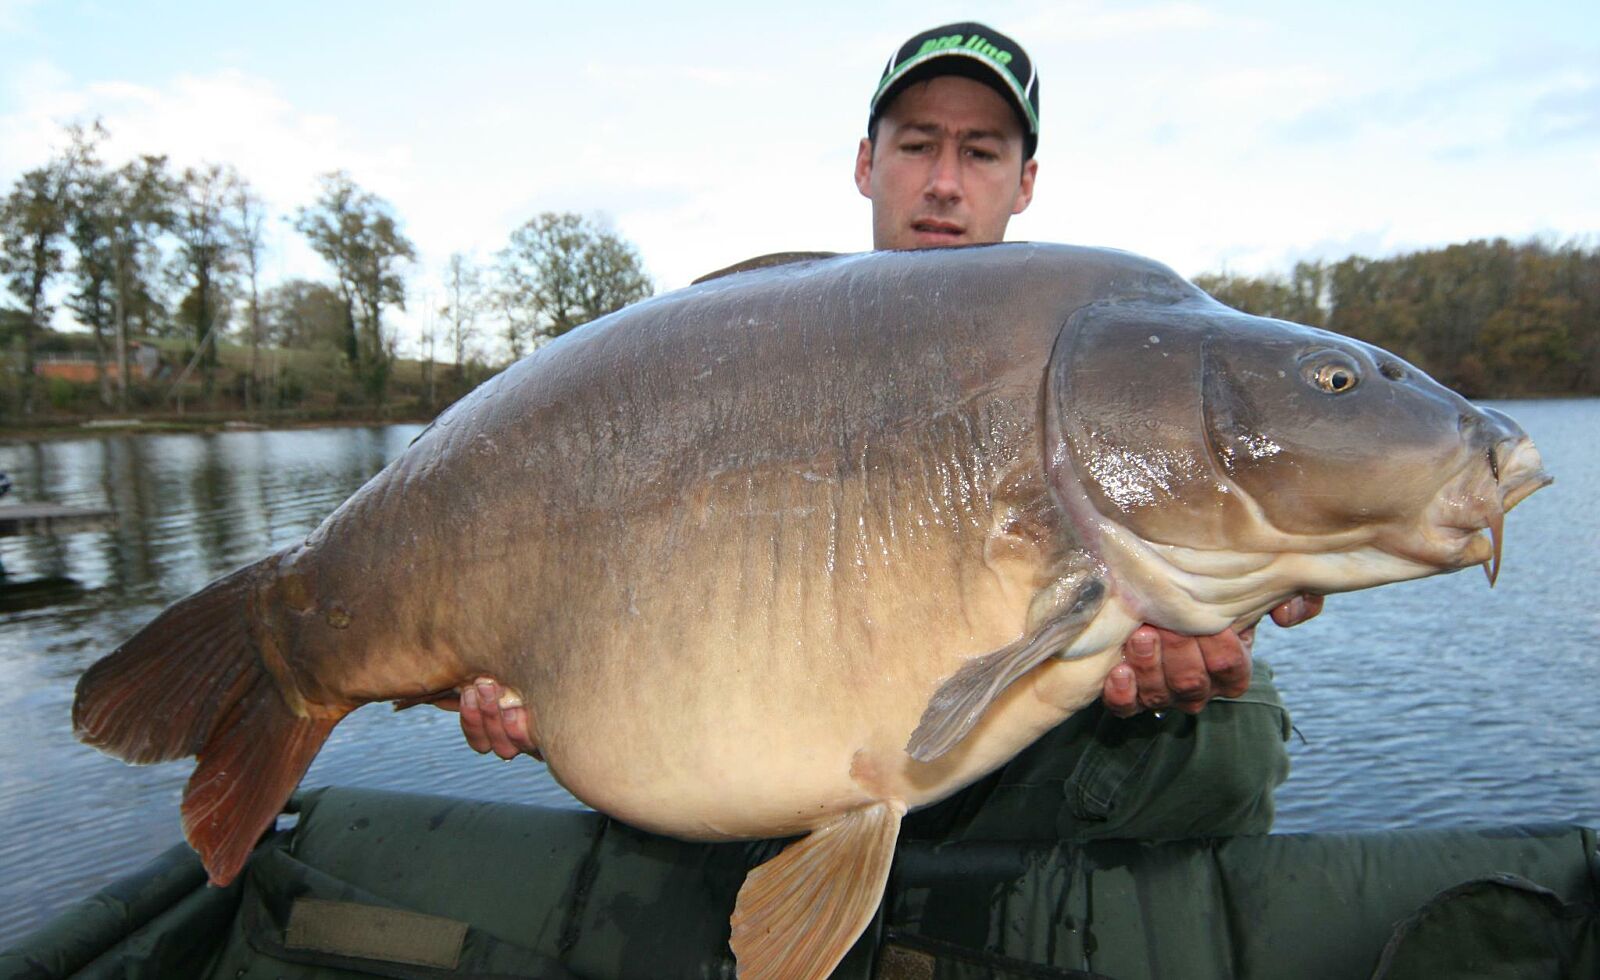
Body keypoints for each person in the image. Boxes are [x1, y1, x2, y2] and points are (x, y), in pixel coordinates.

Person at [449, 21, 1323, 842]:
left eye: (980, 152)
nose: (944, 181)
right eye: (917, 145)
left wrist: (1213, 613)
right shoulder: (742, 350)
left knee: (1235, 735)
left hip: (1008, 759)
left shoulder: (1084, 356)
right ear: (867, 164)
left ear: (1025, 183)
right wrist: (570, 702)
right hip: (763, 739)